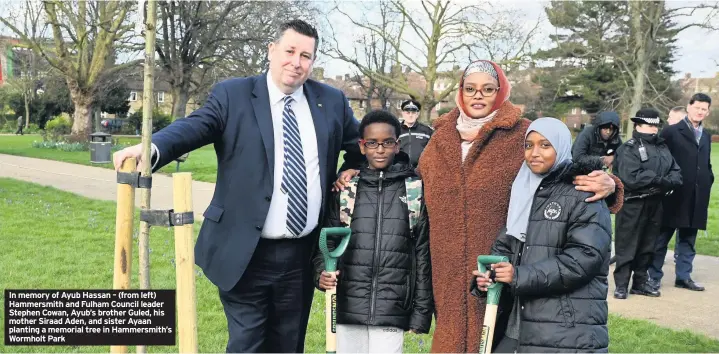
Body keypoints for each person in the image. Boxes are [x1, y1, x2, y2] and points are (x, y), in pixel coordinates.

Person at [331, 60, 623, 353]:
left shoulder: (521, 135)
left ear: (499, 92)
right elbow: (412, 183)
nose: (478, 95)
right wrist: (361, 174)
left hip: (501, 267)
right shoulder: (441, 138)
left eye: (487, 89)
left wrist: (611, 185)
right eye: (470, 89)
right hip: (446, 273)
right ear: (461, 92)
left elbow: (560, 171)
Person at [113, 19, 364, 353]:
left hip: (301, 256)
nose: (296, 62)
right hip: (244, 250)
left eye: (306, 55)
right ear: (271, 51)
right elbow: (194, 127)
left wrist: (349, 169)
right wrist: (152, 147)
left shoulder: (330, 101)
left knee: (289, 346)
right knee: (247, 344)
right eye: (290, 51)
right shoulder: (234, 95)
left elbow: (363, 145)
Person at [474, 118, 613, 353]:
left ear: (560, 147)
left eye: (545, 145)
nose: (534, 153)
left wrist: (519, 275)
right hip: (518, 323)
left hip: (565, 327)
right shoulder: (523, 190)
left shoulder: (583, 191)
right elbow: (507, 247)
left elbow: (584, 258)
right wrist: (489, 277)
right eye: (529, 145)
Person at [313, 110, 433, 353]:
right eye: (372, 143)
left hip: (393, 307)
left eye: (387, 142)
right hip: (348, 305)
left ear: (397, 145)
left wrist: (421, 312)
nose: (380, 149)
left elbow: (421, 256)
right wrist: (320, 274)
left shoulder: (414, 191)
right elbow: (326, 244)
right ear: (362, 146)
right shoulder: (346, 190)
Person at [612, 108, 682, 299]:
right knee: (627, 245)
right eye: (649, 125)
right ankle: (621, 285)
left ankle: (640, 283)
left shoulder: (662, 148)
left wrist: (663, 181)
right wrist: (661, 180)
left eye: (655, 125)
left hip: (655, 203)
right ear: (638, 125)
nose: (653, 129)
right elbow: (631, 178)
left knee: (648, 245)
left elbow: (676, 173)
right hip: (632, 203)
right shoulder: (629, 148)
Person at [649, 93, 714, 292]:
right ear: (689, 107)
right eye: (697, 108)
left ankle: (683, 277)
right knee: (661, 238)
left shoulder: (706, 135)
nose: (700, 112)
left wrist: (708, 179)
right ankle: (653, 277)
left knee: (688, 238)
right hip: (674, 194)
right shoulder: (671, 132)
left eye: (704, 109)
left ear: (708, 112)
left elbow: (705, 163)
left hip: (697, 196)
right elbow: (659, 159)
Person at [398, 99, 434, 169]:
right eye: (408, 113)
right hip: (400, 172)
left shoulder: (427, 131)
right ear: (403, 113)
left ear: (417, 114)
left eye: (413, 113)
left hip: (421, 171)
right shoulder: (395, 130)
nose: (410, 115)